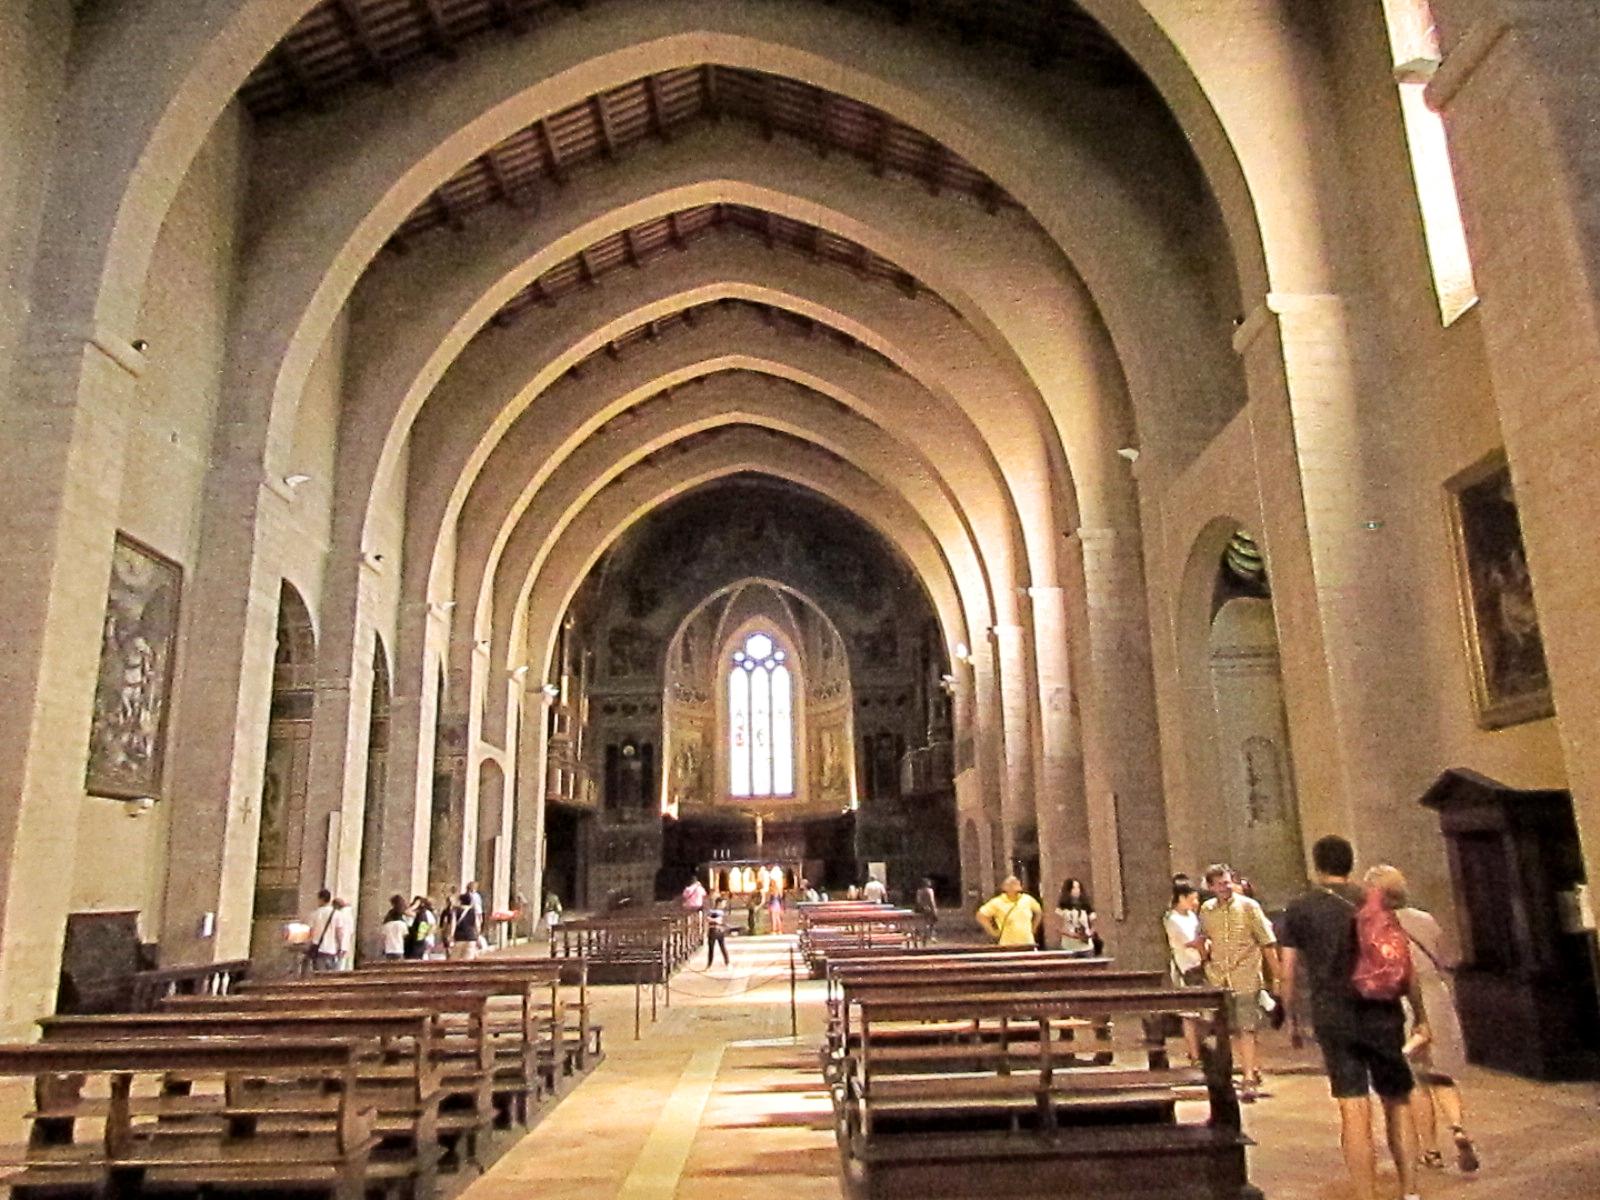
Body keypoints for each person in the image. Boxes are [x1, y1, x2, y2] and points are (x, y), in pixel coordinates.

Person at [1279, 836, 1423, 1200]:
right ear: (1350, 863)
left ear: (1317, 865)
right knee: (1398, 1100)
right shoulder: (1374, 901)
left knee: (1353, 1107)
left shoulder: (1300, 908)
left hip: (1333, 1013)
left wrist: (1291, 1016)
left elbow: (1288, 970)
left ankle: (1366, 1194)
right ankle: (1410, 1192)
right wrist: (1420, 1014)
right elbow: (1404, 960)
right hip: (1381, 1011)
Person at [1364, 864, 1480, 1175]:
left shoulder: (1376, 926)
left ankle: (1430, 1150)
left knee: (1416, 1080)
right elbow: (1444, 957)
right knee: (1442, 1075)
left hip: (1405, 1000)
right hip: (1437, 995)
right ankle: (1457, 1127)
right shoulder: (1424, 919)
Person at [1197, 864, 1280, 1100]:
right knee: (1225, 1029)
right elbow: (1202, 937)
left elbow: (1267, 941)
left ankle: (1249, 1077)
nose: (1225, 887)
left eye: (1228, 882)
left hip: (1245, 975)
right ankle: (1239, 1069)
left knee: (1247, 1027)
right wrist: (1205, 959)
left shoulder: (1249, 907)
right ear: (1211, 887)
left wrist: (1277, 977)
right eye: (1220, 884)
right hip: (1218, 977)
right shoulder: (1207, 910)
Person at [1164, 882, 1207, 1064]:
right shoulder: (1172, 919)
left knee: (1204, 1013)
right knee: (1189, 1014)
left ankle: (1201, 1048)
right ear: (1181, 898)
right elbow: (1190, 941)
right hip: (1185, 967)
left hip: (1199, 965)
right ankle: (1194, 1054)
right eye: (1193, 898)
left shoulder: (1192, 916)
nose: (1196, 902)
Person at [976, 875, 1043, 947]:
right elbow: (980, 915)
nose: (1014, 885)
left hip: (1028, 943)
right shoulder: (997, 902)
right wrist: (992, 931)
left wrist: (1033, 928)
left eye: (1016, 882)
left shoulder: (1027, 899)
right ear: (1005, 887)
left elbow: (1038, 912)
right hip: (1007, 944)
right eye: (1011, 884)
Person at [1055, 878, 1097, 957]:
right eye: (1074, 888)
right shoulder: (1062, 907)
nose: (1077, 890)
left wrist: (1090, 933)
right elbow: (1057, 926)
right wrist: (1071, 934)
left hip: (1086, 947)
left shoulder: (1086, 906)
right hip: (1069, 946)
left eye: (1078, 888)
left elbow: (1094, 922)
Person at [306, 889, 340, 971]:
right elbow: (340, 932)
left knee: (319, 976)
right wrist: (341, 946)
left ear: (320, 899)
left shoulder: (314, 914)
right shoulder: (337, 914)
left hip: (319, 949)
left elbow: (310, 932)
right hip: (332, 949)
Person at [447, 891, 480, 960]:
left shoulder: (456, 910)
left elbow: (453, 924)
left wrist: (451, 935)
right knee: (468, 961)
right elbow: (477, 925)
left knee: (454, 960)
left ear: (461, 901)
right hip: (471, 937)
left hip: (459, 937)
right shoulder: (473, 911)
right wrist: (477, 936)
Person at [380, 895, 410, 960]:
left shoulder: (387, 925)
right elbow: (405, 935)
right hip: (399, 949)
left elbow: (383, 937)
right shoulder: (402, 924)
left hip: (389, 949)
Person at [705, 894, 730, 967]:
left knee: (723, 947)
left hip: (720, 931)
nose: (724, 905)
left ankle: (727, 962)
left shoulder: (722, 912)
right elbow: (707, 918)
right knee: (711, 949)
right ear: (719, 903)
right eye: (723, 903)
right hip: (712, 930)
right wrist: (715, 920)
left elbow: (722, 921)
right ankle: (709, 964)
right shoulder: (712, 911)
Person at [464, 880, 488, 951]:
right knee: (476, 929)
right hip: (474, 914)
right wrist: (480, 917)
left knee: (474, 929)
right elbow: (478, 907)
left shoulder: (474, 896)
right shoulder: (475, 896)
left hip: (472, 914)